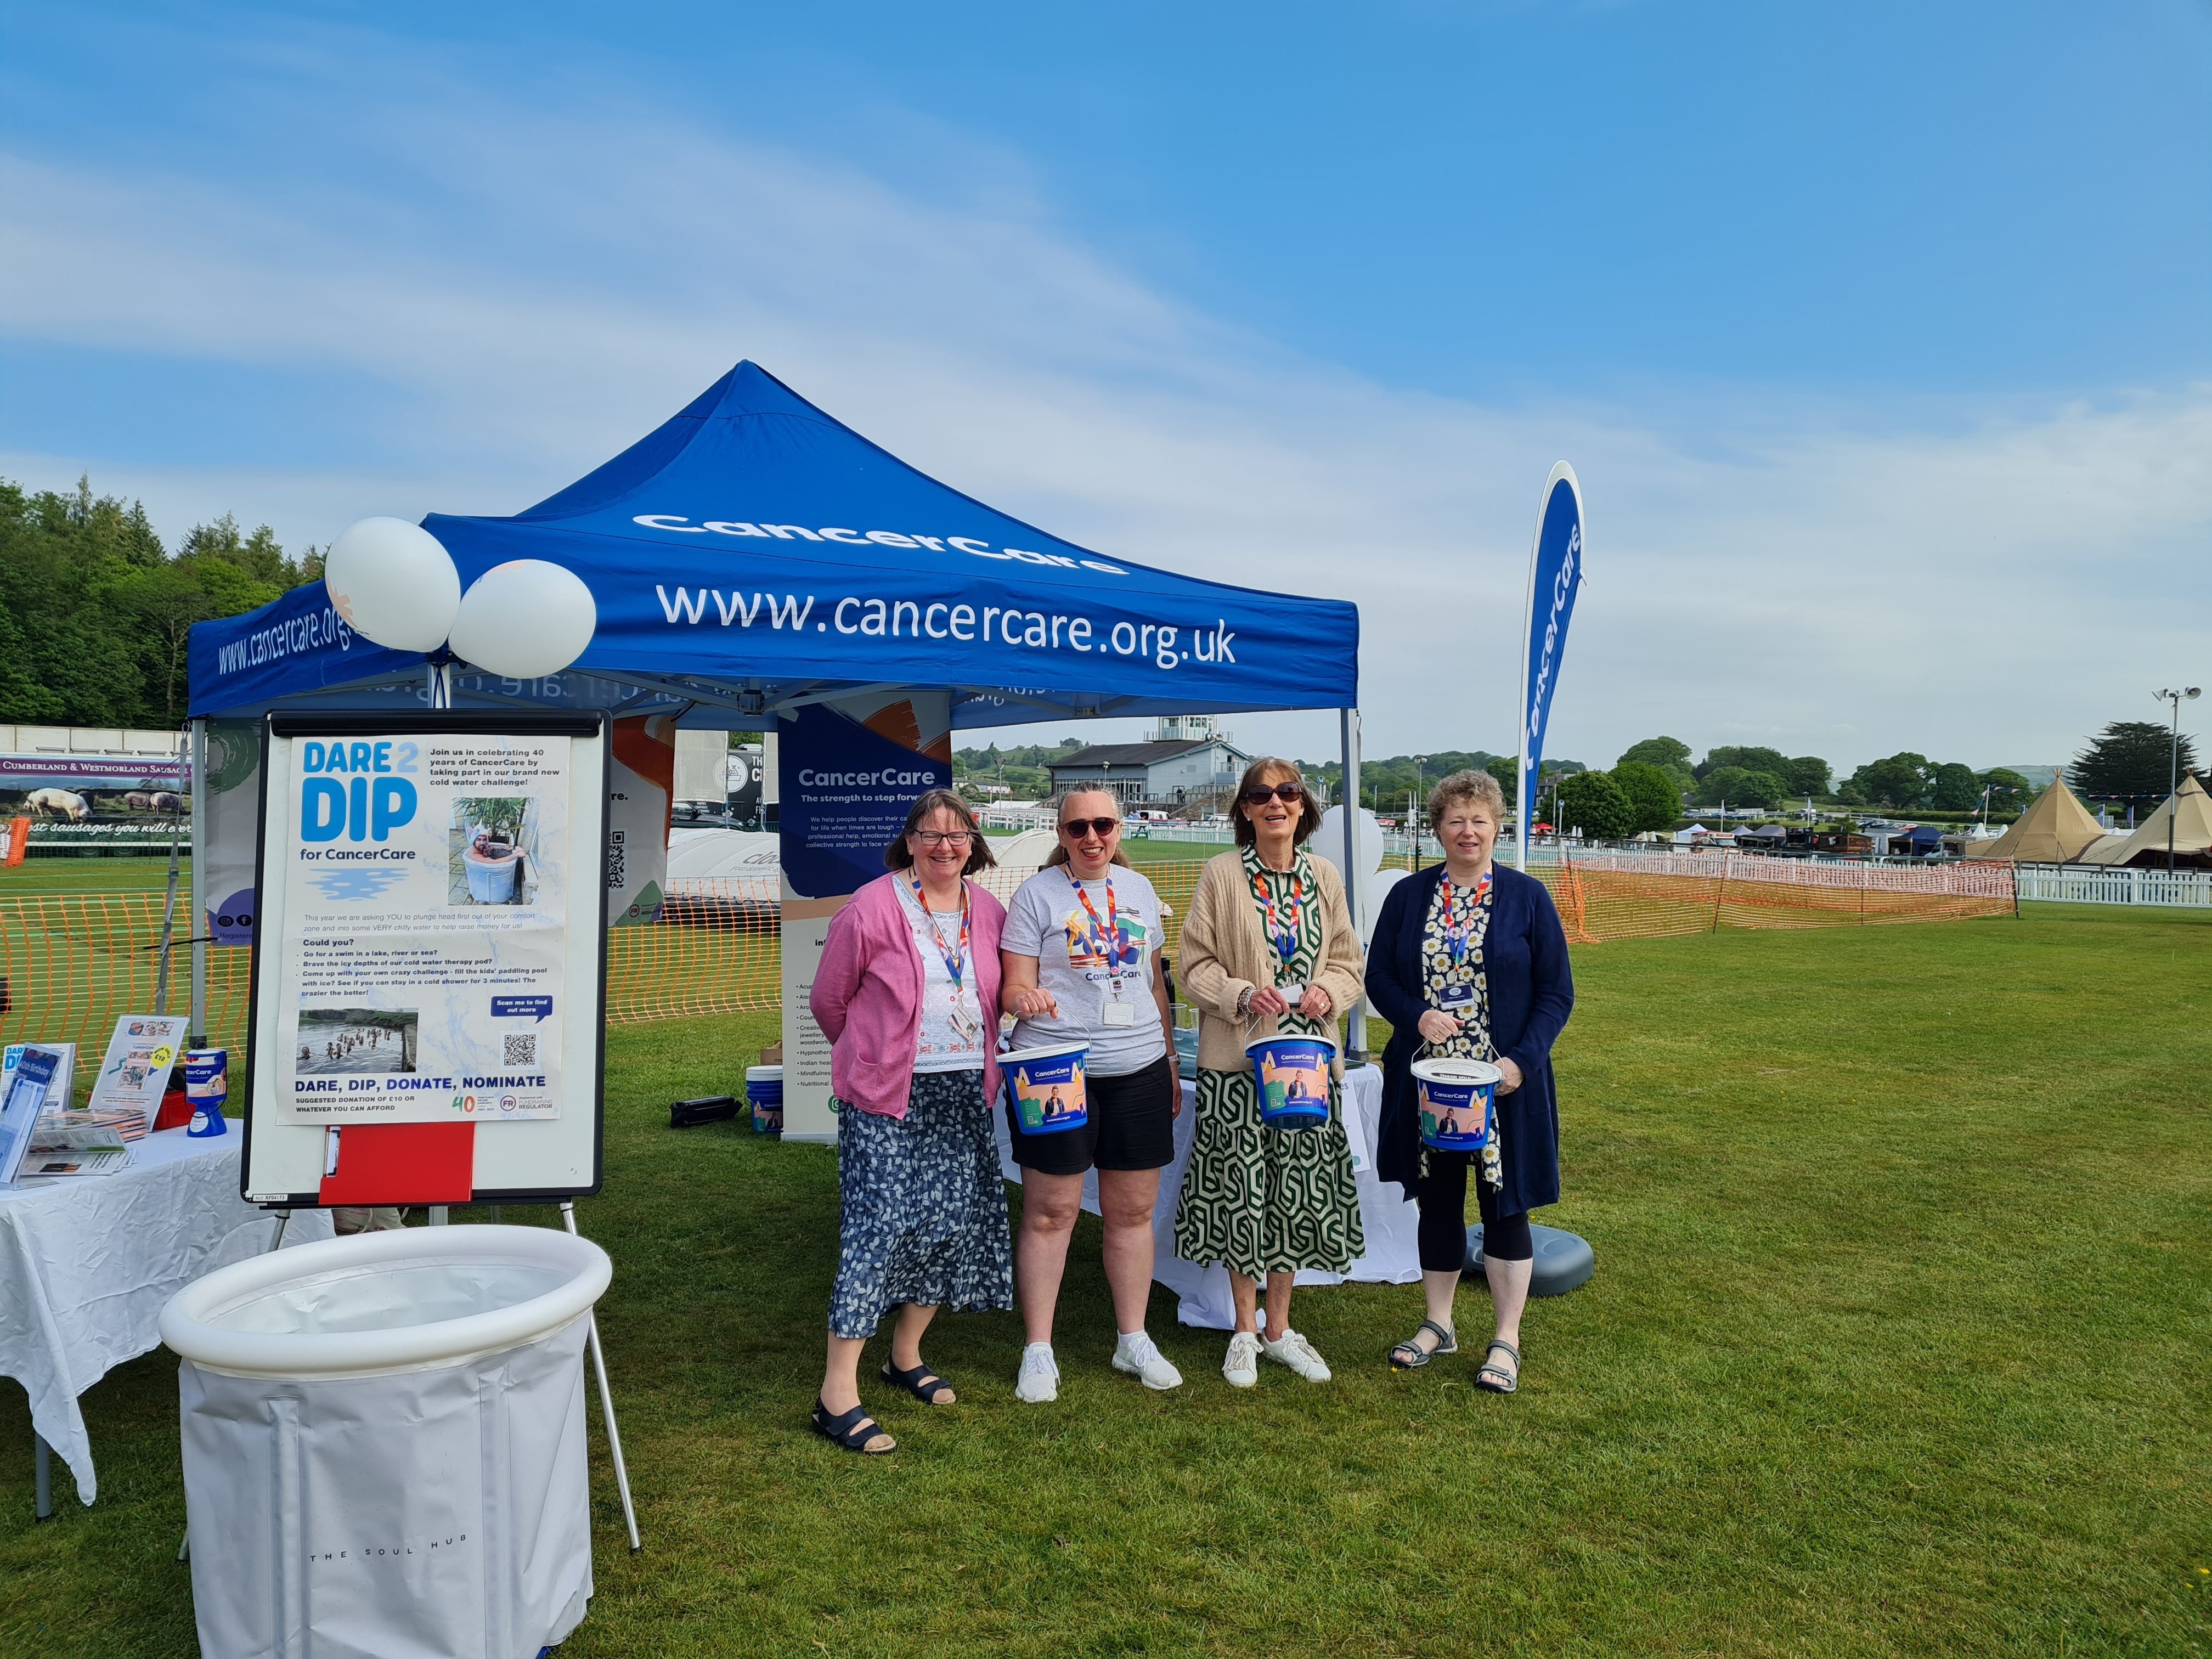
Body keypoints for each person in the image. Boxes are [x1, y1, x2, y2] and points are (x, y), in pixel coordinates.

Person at [806, 789, 1014, 1454]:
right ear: (910, 841)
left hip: (961, 1094)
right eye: (931, 835)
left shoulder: (989, 911)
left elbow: (998, 989)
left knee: (947, 1223)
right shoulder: (871, 906)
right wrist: (870, 1056)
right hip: (887, 1097)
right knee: (878, 1227)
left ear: (973, 844)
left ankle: (905, 1356)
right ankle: (836, 1394)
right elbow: (828, 1001)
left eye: (957, 836)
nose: (944, 847)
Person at [1365, 769, 1573, 1393]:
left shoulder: (1527, 897)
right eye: (1455, 820)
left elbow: (1557, 994)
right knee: (1438, 1199)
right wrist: (1416, 1015)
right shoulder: (1408, 896)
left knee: (1504, 1204)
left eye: (1479, 820)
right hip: (1429, 1080)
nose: (1468, 831)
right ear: (1438, 829)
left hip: (1503, 1084)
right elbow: (1380, 978)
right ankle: (1439, 1323)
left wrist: (1520, 1063)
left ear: (1497, 827)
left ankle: (1507, 1337)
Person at [1172, 759, 1366, 1387]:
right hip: (1240, 1066)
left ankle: (1281, 1331)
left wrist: (1326, 992)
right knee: (1242, 1194)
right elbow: (1191, 966)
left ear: (1303, 808)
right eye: (1261, 795)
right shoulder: (1222, 875)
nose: (1275, 804)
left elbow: (1348, 962)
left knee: (1293, 1196)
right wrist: (1239, 993)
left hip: (1307, 1066)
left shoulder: (1324, 876)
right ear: (1247, 811)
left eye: (1287, 793)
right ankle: (1245, 1330)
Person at [1000, 789, 1184, 1403]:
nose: (1092, 836)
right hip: (1056, 1068)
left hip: (1138, 1070)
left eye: (1103, 824)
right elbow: (1013, 983)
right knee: (1052, 1212)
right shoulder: (1036, 895)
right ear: (1061, 831)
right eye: (1078, 826)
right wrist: (1023, 999)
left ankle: (1132, 1338)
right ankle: (1039, 1348)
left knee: (1132, 1213)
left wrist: (1169, 1054)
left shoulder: (1137, 890)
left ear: (1119, 826)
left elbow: (1153, 979)